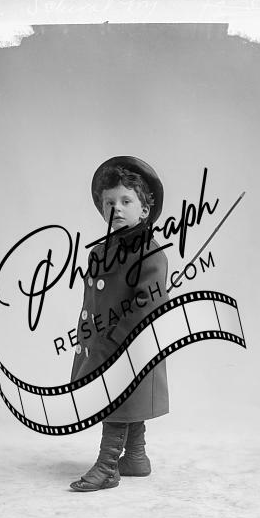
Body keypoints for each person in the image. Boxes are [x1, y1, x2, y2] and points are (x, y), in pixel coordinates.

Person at [69, 156, 170, 492]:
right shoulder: (100, 252)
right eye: (109, 202)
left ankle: (108, 466)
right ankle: (136, 457)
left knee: (116, 402)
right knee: (125, 400)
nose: (116, 208)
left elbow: (149, 304)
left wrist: (114, 340)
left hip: (130, 345)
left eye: (126, 201)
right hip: (102, 343)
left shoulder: (150, 253)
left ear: (145, 210)